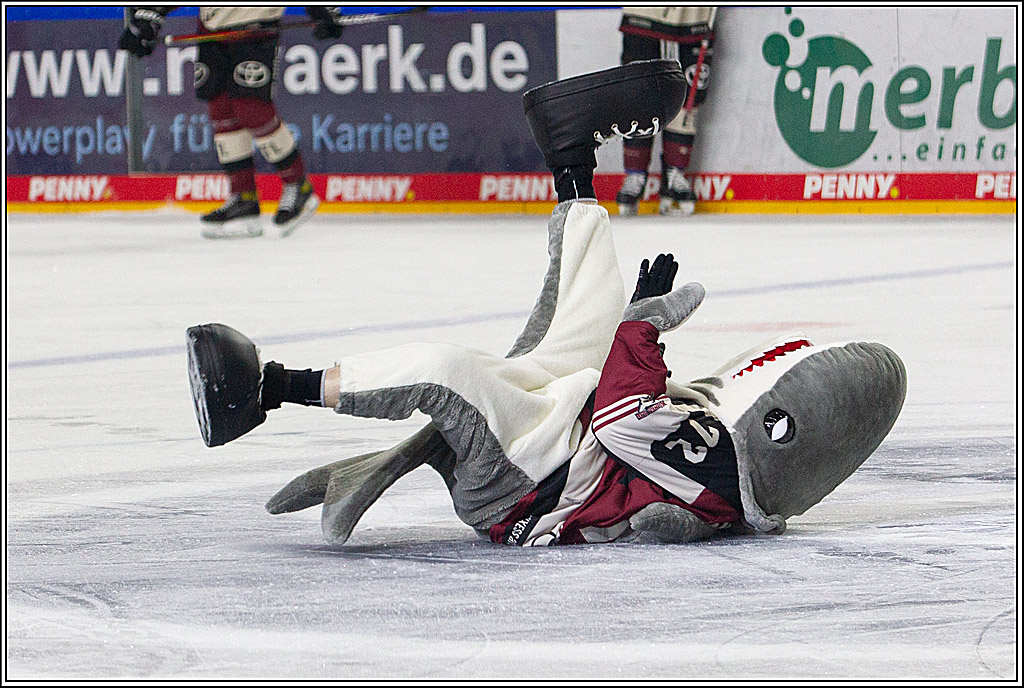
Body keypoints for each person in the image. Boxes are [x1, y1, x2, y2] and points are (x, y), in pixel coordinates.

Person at [186, 61, 907, 546]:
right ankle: (570, 157)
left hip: (526, 483)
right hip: (566, 426)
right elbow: (636, 415)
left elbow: (628, 421)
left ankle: (267, 389)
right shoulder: (729, 471)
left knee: (447, 371)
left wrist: (644, 326)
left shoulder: (721, 469)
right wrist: (632, 334)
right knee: (585, 306)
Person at [119, 6, 346, 238]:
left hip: (255, 24)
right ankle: (244, 199)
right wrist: (148, 16)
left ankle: (299, 186)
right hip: (212, 27)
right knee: (221, 108)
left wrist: (323, 9)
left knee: (252, 108)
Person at [615, 7, 717, 216]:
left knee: (689, 92)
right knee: (637, 92)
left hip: (693, 15)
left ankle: (675, 172)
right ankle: (635, 173)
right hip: (644, 14)